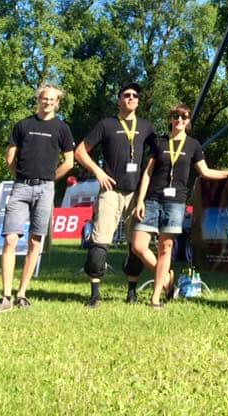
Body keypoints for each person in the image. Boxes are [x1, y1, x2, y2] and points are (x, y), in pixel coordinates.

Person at [132, 104, 228, 308]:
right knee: (139, 246)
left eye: (184, 117)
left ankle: (156, 297)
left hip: (175, 202)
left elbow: (206, 172)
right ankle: (167, 279)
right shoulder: (159, 142)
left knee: (165, 247)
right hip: (152, 199)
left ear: (188, 121)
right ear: (170, 119)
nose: (179, 120)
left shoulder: (193, 145)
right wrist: (140, 200)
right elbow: (147, 173)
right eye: (176, 116)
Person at [0, 83, 74, 312]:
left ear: (58, 102)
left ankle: (22, 294)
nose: (47, 102)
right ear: (38, 100)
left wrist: (49, 179)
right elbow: (10, 158)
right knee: (10, 240)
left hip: (46, 190)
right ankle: (5, 296)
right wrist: (22, 177)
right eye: (44, 98)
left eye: (52, 99)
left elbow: (69, 162)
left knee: (36, 241)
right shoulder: (23, 125)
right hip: (20, 188)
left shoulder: (62, 128)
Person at [74, 82, 156, 307]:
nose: (131, 98)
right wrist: (98, 171)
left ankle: (132, 292)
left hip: (136, 194)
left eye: (135, 95)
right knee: (99, 244)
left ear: (138, 101)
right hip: (110, 191)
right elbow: (79, 151)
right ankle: (95, 294)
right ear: (119, 99)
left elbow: (159, 155)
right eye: (126, 95)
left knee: (135, 246)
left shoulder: (147, 127)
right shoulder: (107, 124)